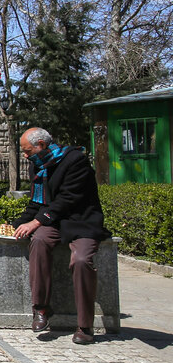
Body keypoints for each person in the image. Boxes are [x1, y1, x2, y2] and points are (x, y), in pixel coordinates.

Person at [12, 127, 111, 344]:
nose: (26, 156)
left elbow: (68, 198)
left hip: (81, 221)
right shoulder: (38, 166)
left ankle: (85, 326)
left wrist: (37, 221)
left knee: (82, 260)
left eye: (28, 151)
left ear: (42, 146)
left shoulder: (76, 161)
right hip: (55, 221)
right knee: (38, 240)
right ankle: (41, 309)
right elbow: (37, 201)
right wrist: (19, 223)